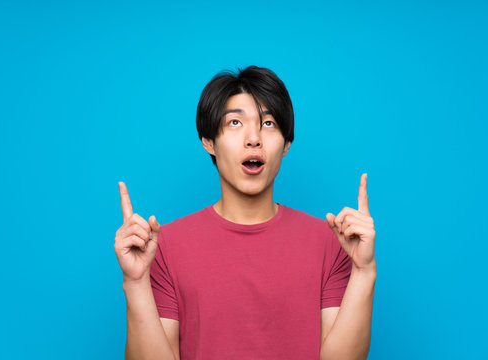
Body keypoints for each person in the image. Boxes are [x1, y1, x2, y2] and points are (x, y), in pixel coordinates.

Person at [114, 66, 377, 360]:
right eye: (235, 122)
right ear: (208, 141)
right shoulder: (164, 246)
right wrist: (135, 283)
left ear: (286, 144)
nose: (253, 138)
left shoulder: (331, 242)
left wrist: (364, 272)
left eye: (268, 123)